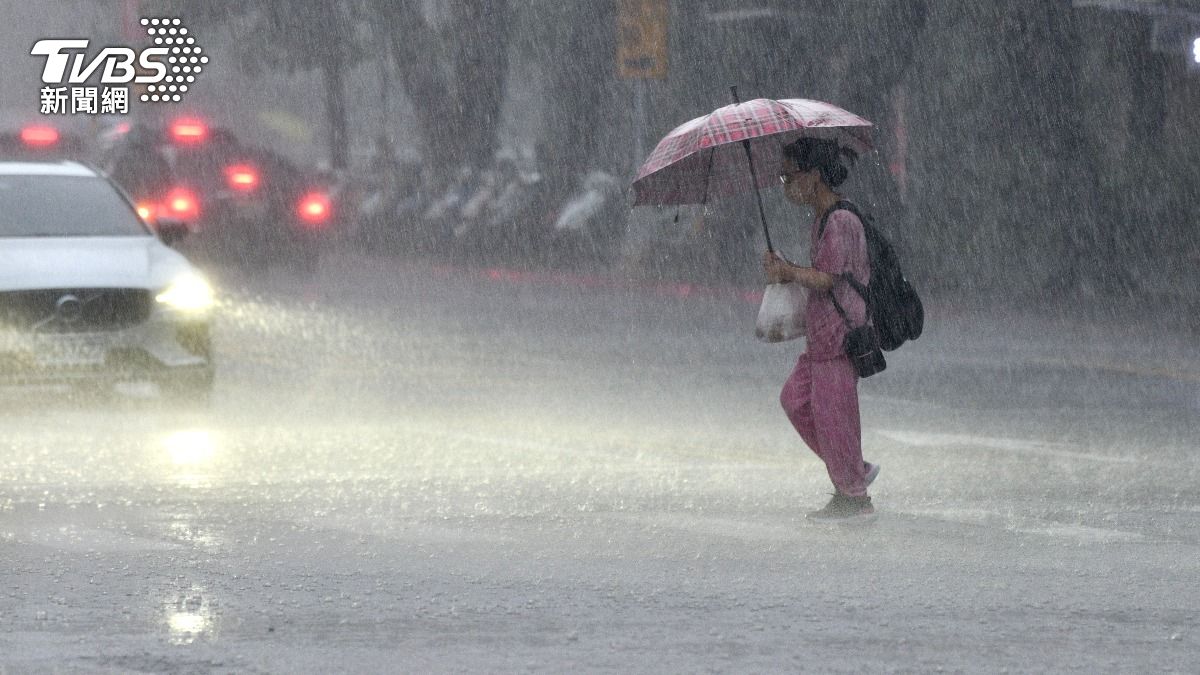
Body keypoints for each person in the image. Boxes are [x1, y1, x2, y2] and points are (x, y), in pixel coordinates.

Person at [763, 137, 880, 521]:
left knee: (835, 420)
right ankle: (851, 468)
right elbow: (821, 275)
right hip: (821, 341)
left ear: (813, 175)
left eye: (790, 176)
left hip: (839, 340)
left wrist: (789, 271)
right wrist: (787, 270)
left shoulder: (840, 221)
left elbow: (828, 278)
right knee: (795, 401)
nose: (786, 186)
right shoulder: (822, 220)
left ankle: (853, 496)